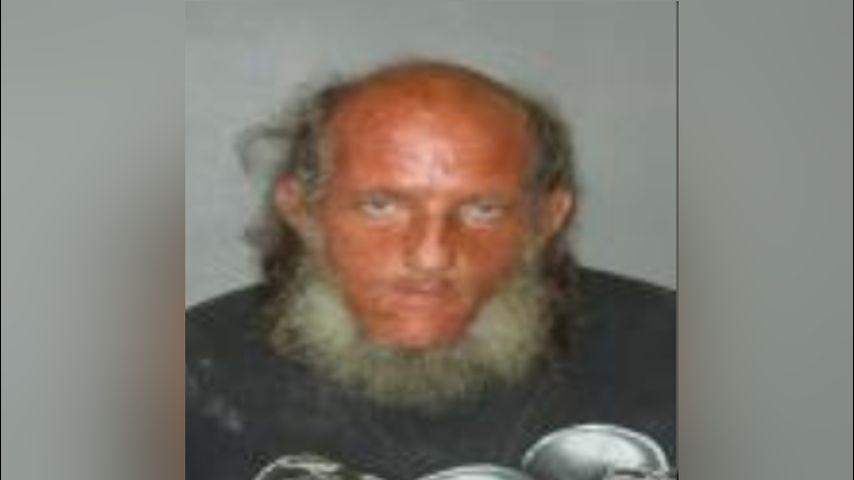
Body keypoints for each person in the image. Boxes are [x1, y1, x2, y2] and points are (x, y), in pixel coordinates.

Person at [186, 59, 676, 480]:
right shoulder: (187, 374)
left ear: (546, 220)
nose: (431, 255)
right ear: (303, 210)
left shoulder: (673, 353)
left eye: (483, 210)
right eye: (380, 205)